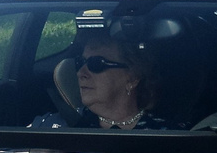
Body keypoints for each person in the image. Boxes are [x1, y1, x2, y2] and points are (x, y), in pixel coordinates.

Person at [28, 31, 179, 130]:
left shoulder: (169, 135)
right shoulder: (50, 127)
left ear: (132, 78)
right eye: (80, 63)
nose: (81, 73)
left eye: (96, 64)